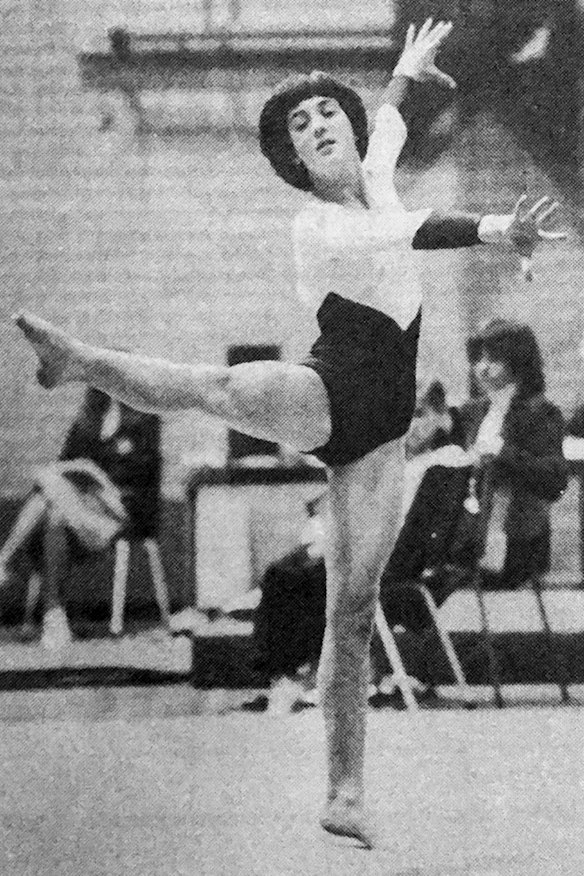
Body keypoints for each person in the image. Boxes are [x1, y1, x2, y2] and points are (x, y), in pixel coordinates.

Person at [12, 20, 565, 847]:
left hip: (382, 437)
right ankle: (79, 361)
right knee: (217, 386)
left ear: (348, 127)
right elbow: (405, 231)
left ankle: (345, 794)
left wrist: (406, 70)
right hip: (327, 393)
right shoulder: (316, 223)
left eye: (327, 113)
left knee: (352, 611)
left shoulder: (376, 171)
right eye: (302, 126)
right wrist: (493, 227)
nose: (319, 125)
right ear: (297, 160)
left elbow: (390, 122)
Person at [0, 388, 162, 648]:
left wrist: (99, 482)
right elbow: (65, 464)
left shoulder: (145, 419)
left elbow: (144, 474)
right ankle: (54, 614)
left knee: (49, 495)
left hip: (120, 513)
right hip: (82, 509)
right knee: (54, 507)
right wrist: (83, 477)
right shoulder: (87, 420)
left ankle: (6, 560)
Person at [457, 318, 567, 587]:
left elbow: (555, 482)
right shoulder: (471, 412)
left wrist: (502, 451)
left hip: (515, 540)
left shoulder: (542, 413)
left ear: (518, 363)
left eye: (493, 359)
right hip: (468, 530)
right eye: (478, 359)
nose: (482, 367)